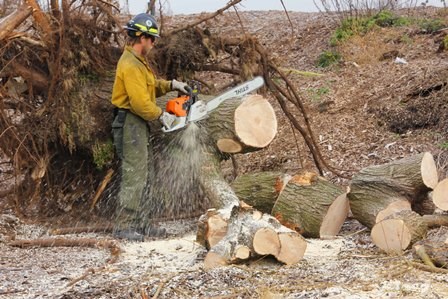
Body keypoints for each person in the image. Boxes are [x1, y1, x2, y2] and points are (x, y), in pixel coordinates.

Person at [111, 13, 190, 241]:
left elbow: (150, 88)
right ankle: (124, 225)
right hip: (130, 122)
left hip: (138, 123)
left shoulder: (138, 62)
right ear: (141, 37)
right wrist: (162, 116)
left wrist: (171, 85)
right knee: (135, 174)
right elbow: (140, 103)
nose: (153, 43)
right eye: (151, 39)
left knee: (147, 173)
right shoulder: (130, 65)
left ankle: (143, 223)